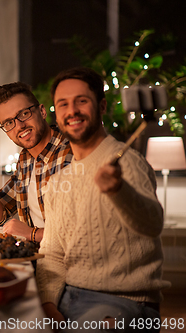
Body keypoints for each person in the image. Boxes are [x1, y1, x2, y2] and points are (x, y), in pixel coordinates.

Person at [37, 67, 168, 332]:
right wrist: (48, 305)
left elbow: (153, 224)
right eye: (63, 104)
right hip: (66, 297)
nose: (71, 110)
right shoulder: (58, 182)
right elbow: (51, 254)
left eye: (81, 101)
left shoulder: (128, 162)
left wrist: (119, 191)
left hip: (125, 303)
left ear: (102, 106)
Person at [0, 82, 72, 243]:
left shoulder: (71, 153)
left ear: (42, 111)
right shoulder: (26, 159)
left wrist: (32, 233)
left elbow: (80, 228)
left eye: (24, 114)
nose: (19, 126)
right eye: (9, 123)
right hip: (36, 261)